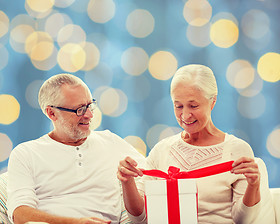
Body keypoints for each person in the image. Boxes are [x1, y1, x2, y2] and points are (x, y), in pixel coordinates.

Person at [117, 64, 272, 223]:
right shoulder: (162, 150)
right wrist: (127, 182)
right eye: (178, 106)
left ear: (212, 101)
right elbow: (140, 220)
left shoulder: (237, 150)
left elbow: (243, 221)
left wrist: (253, 185)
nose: (185, 115)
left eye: (193, 106)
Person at [7, 73, 145, 224]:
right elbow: (20, 215)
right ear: (51, 113)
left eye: (90, 105)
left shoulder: (111, 142)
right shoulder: (26, 154)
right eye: (80, 109)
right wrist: (76, 222)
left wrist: (128, 179)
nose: (90, 115)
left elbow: (155, 175)